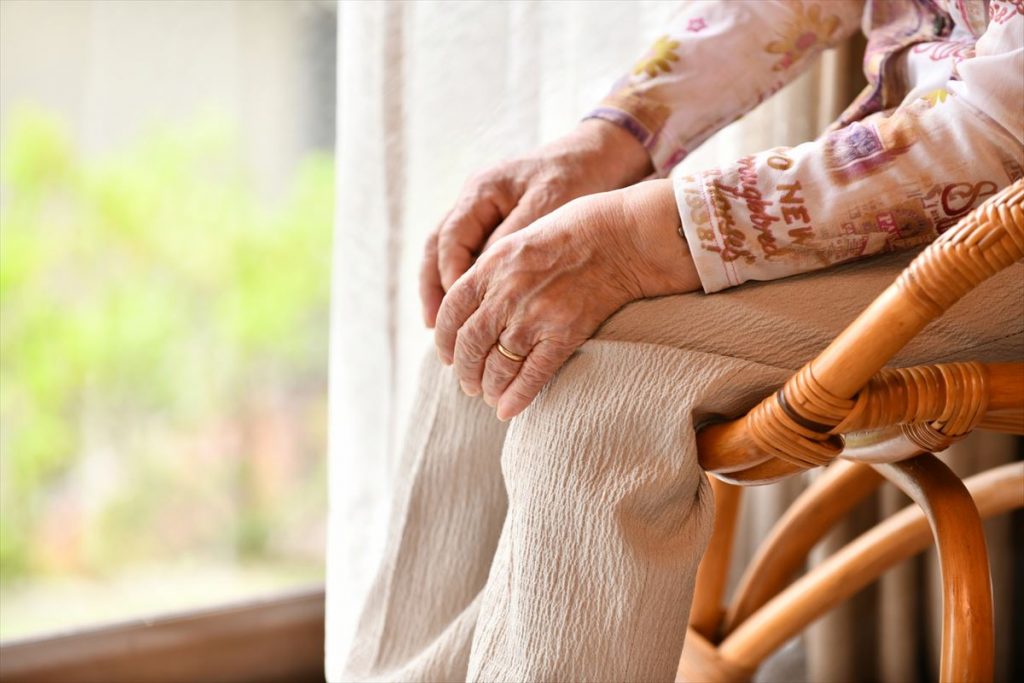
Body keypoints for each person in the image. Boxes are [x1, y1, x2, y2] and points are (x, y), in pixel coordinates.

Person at [343, 1, 1023, 680]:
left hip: (1004, 221)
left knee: (604, 391)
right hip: (931, 170)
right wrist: (605, 141)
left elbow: (1004, 128)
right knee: (498, 301)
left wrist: (635, 239)